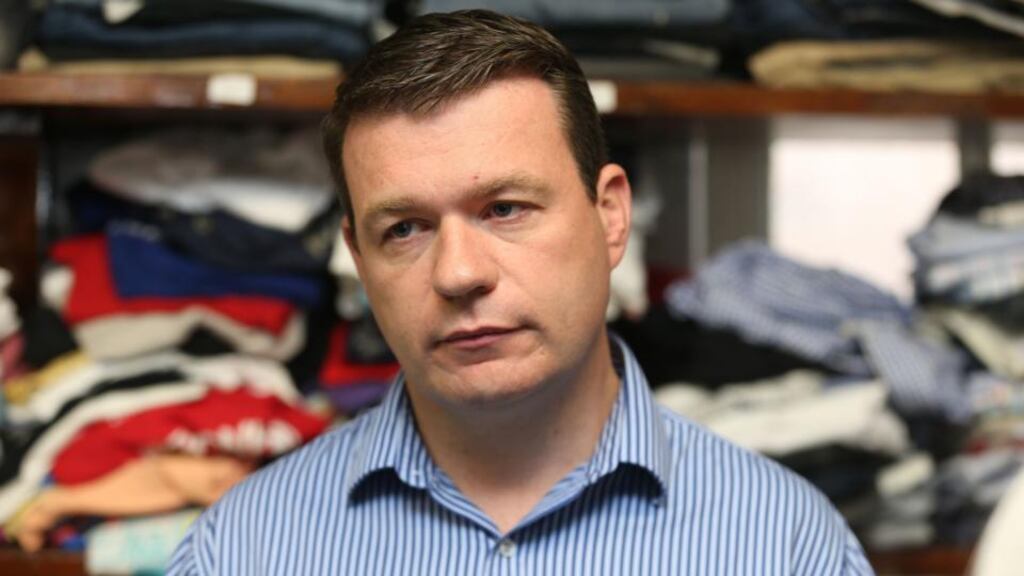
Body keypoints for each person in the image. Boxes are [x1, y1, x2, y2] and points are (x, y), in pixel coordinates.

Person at [168, 10, 875, 575]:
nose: (457, 273)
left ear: (610, 218)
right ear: (358, 257)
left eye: (505, 209)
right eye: (406, 228)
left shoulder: (784, 544)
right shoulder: (242, 550)